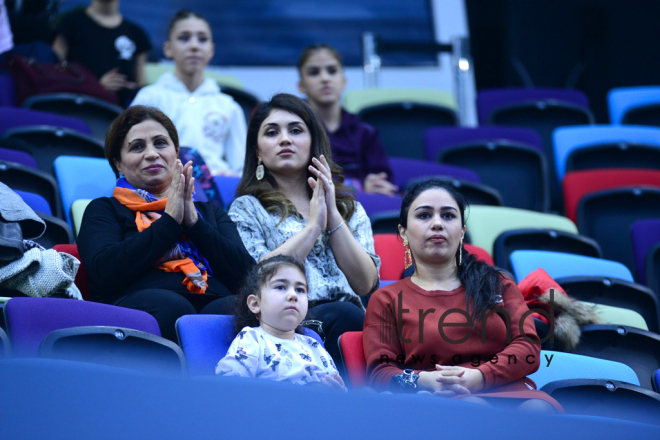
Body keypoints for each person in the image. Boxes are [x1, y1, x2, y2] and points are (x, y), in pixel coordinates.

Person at [363, 178, 563, 412]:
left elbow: (528, 348)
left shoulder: (498, 284)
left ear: (462, 232)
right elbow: (380, 373)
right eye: (424, 215)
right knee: (472, 409)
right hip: (436, 399)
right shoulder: (386, 299)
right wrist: (424, 379)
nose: (437, 224)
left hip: (512, 391)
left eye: (448, 216)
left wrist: (480, 376)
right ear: (403, 231)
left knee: (538, 411)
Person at [77, 105, 254, 341]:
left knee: (235, 309)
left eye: (160, 143)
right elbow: (105, 272)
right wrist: (169, 221)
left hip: (212, 299)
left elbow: (248, 276)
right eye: (137, 147)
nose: (151, 154)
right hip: (142, 305)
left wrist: (193, 223)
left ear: (176, 153)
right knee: (171, 305)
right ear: (118, 163)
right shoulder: (104, 209)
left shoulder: (209, 213)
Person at [228, 93, 380, 368]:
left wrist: (332, 215)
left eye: (296, 130)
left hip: (351, 317)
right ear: (258, 152)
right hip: (288, 321)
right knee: (343, 315)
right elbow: (258, 278)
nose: (285, 139)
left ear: (313, 142)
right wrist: (312, 228)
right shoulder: (246, 208)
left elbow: (365, 283)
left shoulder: (349, 208)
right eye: (272, 133)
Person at [131, 10, 246, 176]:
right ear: (168, 49)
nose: (194, 46)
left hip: (215, 190)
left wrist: (230, 176)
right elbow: (132, 153)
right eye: (184, 38)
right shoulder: (149, 98)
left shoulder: (228, 106)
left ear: (211, 50)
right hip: (161, 184)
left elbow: (240, 166)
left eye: (202, 39)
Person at [216, 255, 346, 391]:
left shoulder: (313, 345)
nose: (293, 295)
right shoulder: (252, 339)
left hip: (316, 408)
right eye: (280, 287)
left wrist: (337, 390)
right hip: (274, 409)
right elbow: (229, 385)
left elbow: (335, 392)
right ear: (255, 303)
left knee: (365, 393)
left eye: (300, 290)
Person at [297, 44, 397, 196]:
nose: (325, 78)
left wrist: (375, 184)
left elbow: (384, 181)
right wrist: (358, 187)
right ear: (301, 86)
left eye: (332, 71)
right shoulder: (295, 133)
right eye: (314, 72)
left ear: (343, 81)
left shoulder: (366, 133)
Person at [52, 0, 151, 105]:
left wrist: (130, 88)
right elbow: (52, 74)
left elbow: (141, 85)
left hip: (118, 112)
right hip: (76, 105)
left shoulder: (136, 34)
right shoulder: (70, 23)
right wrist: (97, 87)